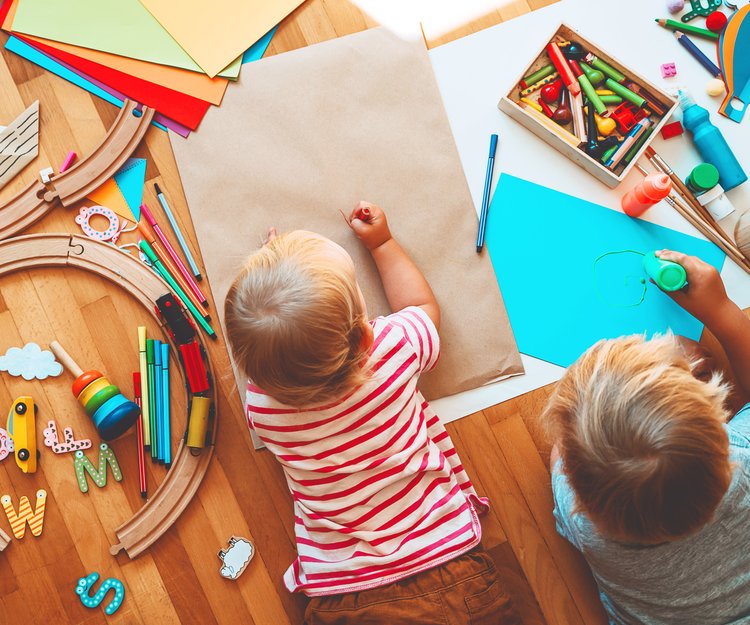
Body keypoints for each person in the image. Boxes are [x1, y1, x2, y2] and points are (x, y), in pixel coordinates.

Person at [224, 201, 518, 624]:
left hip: (344, 593)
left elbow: (271, 355)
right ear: (363, 337)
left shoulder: (265, 412)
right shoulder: (392, 350)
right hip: (447, 565)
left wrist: (276, 292)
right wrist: (382, 244)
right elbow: (422, 309)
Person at [544, 250, 750, 625]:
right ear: (721, 422)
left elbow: (560, 453)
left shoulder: (588, 529)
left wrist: (591, 407)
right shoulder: (744, 460)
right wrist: (720, 309)